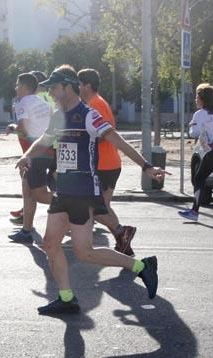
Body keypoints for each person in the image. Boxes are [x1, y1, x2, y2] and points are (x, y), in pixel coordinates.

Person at [15, 65, 166, 315]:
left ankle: (141, 266)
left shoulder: (88, 115)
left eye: (53, 87)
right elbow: (44, 140)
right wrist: (27, 156)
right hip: (63, 191)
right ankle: (66, 298)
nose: (50, 92)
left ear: (67, 87)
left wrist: (147, 166)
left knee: (84, 252)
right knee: (50, 244)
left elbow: (118, 141)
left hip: (83, 191)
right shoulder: (58, 115)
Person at [78, 68, 136, 255]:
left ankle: (121, 232)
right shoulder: (97, 102)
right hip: (108, 162)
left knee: (94, 208)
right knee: (101, 207)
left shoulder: (95, 104)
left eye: (79, 84)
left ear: (87, 85)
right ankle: (123, 242)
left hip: (103, 164)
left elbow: (104, 135)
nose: (77, 88)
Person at [6, 72, 54, 242]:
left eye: (17, 85)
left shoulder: (22, 102)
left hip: (35, 154)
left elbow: (24, 130)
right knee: (28, 192)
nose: (15, 88)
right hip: (50, 151)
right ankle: (26, 230)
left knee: (37, 195)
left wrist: (13, 127)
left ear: (25, 87)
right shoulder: (42, 102)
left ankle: (73, 205)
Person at [178, 82, 213, 223]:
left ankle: (194, 211)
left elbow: (194, 133)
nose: (195, 99)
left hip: (212, 150)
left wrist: (194, 127)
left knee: (200, 178)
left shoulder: (199, 114)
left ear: (203, 99)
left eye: (197, 97)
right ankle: (194, 211)